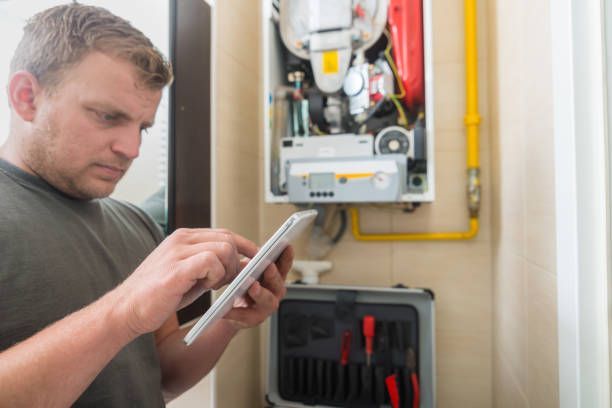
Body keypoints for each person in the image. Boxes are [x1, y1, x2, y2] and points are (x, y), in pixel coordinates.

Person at [0, 4, 293, 407]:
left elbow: (163, 376)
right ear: (26, 97)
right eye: (107, 116)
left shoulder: (134, 223)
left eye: (142, 127)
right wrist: (125, 310)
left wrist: (229, 316)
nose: (132, 149)